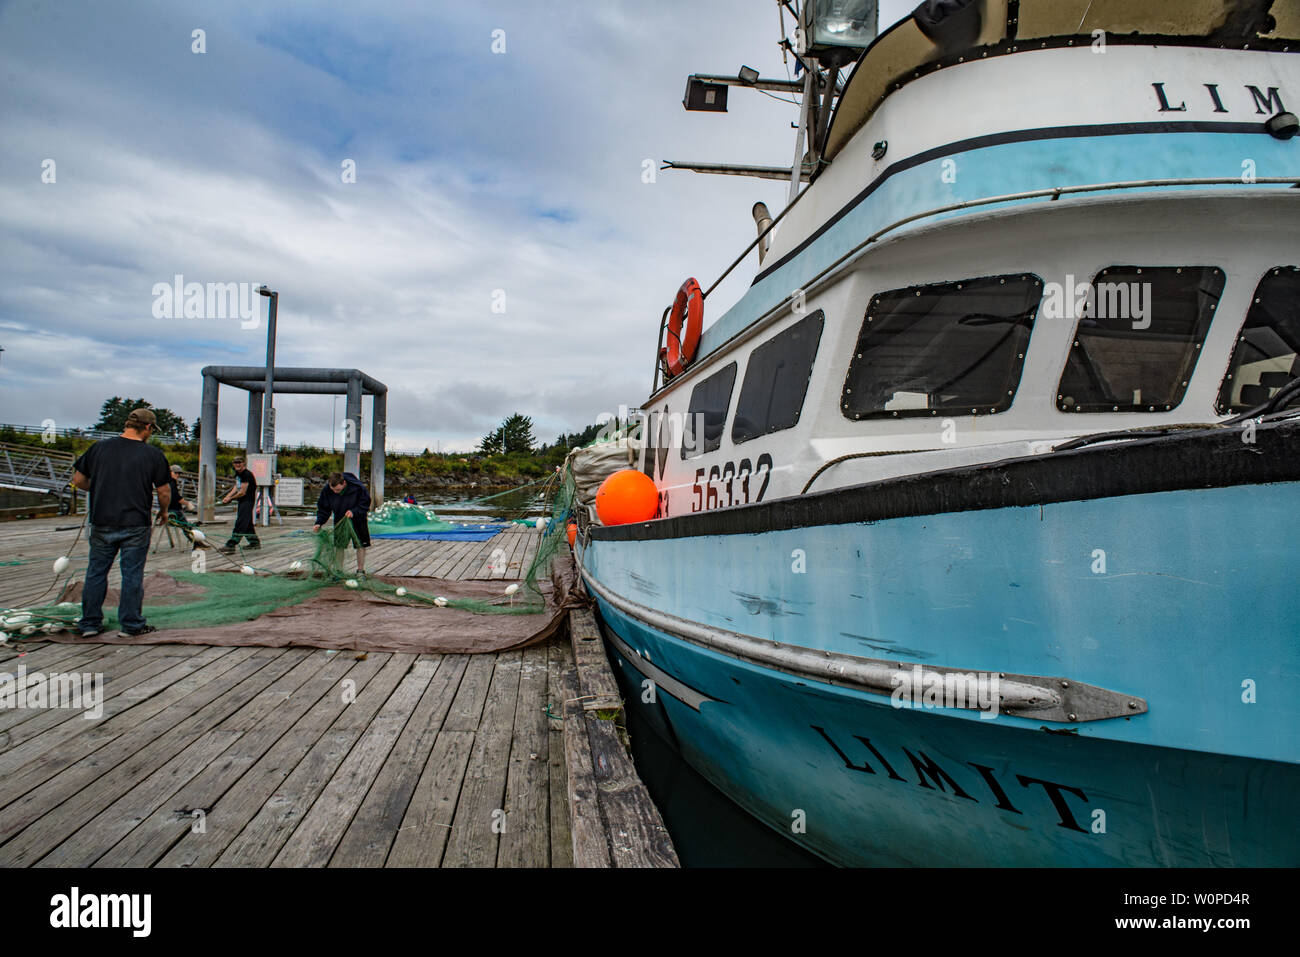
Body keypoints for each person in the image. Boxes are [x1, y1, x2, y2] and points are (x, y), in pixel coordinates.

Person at [70, 407, 171, 637]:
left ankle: (90, 624)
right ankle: (131, 625)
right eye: (151, 430)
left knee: (96, 572)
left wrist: (97, 489)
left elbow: (77, 480)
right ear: (147, 427)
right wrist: (164, 512)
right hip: (136, 523)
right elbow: (164, 491)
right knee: (132, 574)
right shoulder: (153, 455)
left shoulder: (98, 448)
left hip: (102, 521)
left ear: (127, 425)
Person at [313, 470, 371, 575]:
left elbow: (365, 504)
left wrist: (354, 512)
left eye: (338, 490)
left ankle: (360, 571)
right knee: (339, 545)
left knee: (360, 545)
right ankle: (338, 571)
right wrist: (319, 522)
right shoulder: (327, 490)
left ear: (344, 483)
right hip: (340, 519)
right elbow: (324, 508)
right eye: (333, 490)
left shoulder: (358, 488)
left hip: (358, 519)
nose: (335, 492)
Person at [220, 455, 260, 551]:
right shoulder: (238, 474)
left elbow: (242, 492)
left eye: (239, 462)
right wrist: (228, 496)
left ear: (243, 463)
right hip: (242, 501)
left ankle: (231, 544)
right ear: (233, 464)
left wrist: (230, 499)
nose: (237, 464)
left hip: (247, 501)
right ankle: (254, 542)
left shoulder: (246, 474)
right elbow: (236, 486)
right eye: (235, 463)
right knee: (247, 523)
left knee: (241, 523)